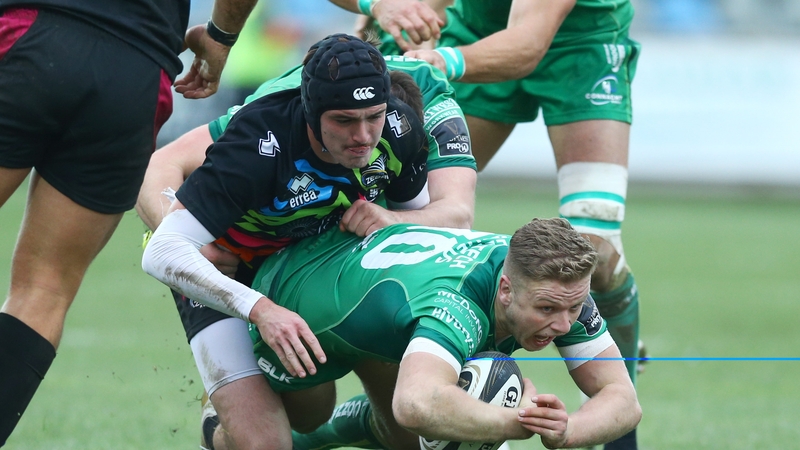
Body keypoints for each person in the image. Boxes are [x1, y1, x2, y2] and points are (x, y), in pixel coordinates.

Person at [141, 33, 475, 450]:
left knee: (313, 415)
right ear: (311, 113)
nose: (363, 135)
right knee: (265, 445)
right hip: (221, 269)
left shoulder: (398, 128)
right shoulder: (259, 141)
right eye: (344, 121)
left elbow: (425, 238)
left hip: (297, 264)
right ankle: (221, 427)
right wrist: (260, 309)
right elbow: (162, 251)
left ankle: (352, 415)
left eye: (373, 116)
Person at [350, 1, 644, 447]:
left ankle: (621, 419)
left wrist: (440, 59)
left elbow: (526, 43)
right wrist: (388, 12)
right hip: (477, 30)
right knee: (411, 212)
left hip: (582, 43)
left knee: (594, 251)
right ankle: (405, 390)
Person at [0, 0, 257, 445]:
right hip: (135, 70)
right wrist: (220, 37)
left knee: (45, 288)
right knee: (44, 291)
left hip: (32, 31)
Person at [243, 217, 641, 449]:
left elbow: (623, 398)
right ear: (505, 291)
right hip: (292, 298)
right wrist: (516, 422)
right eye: (547, 310)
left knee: (417, 438)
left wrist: (567, 431)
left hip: (382, 305)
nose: (565, 325)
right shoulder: (456, 303)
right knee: (286, 432)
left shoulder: (555, 284)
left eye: (575, 307)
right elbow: (415, 405)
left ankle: (359, 420)